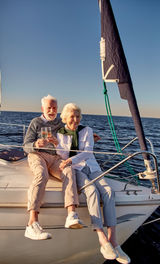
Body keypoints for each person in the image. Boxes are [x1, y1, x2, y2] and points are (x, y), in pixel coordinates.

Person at [56, 103, 131, 264]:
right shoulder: (59, 134)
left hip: (92, 166)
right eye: (72, 117)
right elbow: (62, 155)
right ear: (65, 118)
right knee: (91, 191)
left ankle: (114, 241)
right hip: (76, 169)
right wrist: (56, 146)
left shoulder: (87, 130)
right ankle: (101, 237)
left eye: (77, 116)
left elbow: (88, 151)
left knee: (109, 192)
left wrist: (70, 158)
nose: (75, 120)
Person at [23, 95, 83, 240]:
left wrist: (87, 135)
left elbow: (73, 130)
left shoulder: (59, 123)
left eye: (54, 108)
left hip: (55, 157)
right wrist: (36, 144)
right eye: (49, 107)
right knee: (41, 175)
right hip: (38, 155)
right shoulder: (35, 122)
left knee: (69, 170)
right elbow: (25, 146)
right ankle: (32, 224)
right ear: (43, 108)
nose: (52, 110)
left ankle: (71, 215)